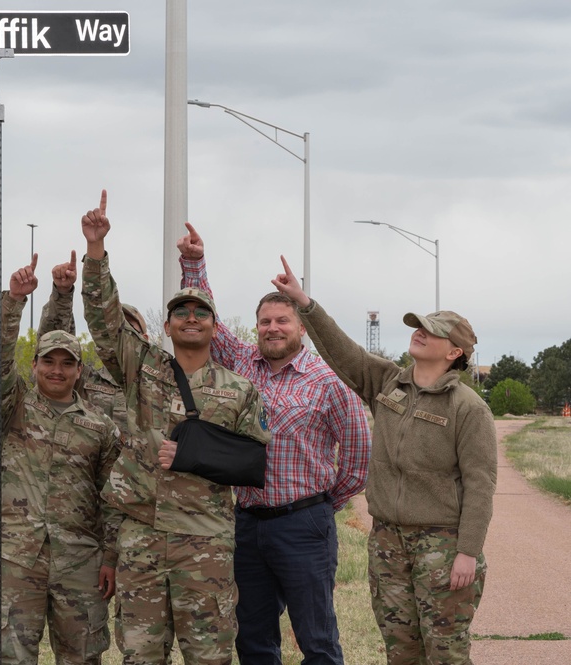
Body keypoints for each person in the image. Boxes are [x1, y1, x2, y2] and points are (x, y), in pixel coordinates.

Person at [271, 255, 497, 664]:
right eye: (419, 327)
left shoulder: (469, 408)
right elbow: (345, 353)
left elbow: (481, 483)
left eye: (433, 332)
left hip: (441, 545)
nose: (420, 333)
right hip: (388, 541)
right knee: (401, 651)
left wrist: (468, 550)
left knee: (445, 651)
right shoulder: (390, 383)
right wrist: (305, 303)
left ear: (455, 352)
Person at [80, 190, 271, 665]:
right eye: (181, 311)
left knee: (209, 655)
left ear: (213, 324)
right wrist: (97, 250)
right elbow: (104, 320)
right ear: (165, 325)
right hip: (142, 537)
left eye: (200, 312)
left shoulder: (239, 390)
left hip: (204, 542)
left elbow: (252, 463)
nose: (191, 317)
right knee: (141, 655)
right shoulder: (139, 367)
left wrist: (194, 455)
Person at [177, 222, 371, 664]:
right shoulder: (244, 363)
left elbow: (359, 460)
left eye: (282, 320)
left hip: (304, 526)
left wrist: (320, 505)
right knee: (253, 639)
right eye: (265, 321)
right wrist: (194, 263)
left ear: (301, 328)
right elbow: (212, 323)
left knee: (317, 640)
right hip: (245, 524)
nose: (272, 328)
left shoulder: (329, 382)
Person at [0, 253, 123, 664]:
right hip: (15, 558)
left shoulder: (100, 427)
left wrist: (110, 557)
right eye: (48, 361)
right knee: (9, 655)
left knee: (82, 656)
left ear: (80, 370)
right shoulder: (13, 408)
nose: (57, 370)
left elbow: (112, 499)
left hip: (79, 562)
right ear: (36, 365)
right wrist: (13, 301)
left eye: (67, 363)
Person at [38, 248, 148, 433]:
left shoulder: (158, 385)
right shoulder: (85, 379)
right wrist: (62, 294)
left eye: (128, 330)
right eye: (114, 329)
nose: (119, 336)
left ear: (144, 339)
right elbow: (55, 343)